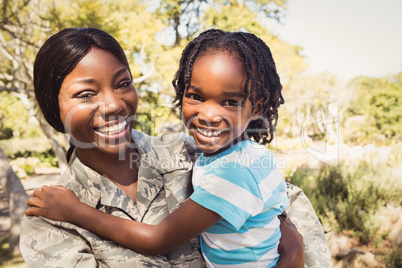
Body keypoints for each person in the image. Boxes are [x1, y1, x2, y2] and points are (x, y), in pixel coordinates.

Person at [24, 28, 333, 267]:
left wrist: (297, 254)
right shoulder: (51, 218)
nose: (114, 104)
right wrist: (292, 256)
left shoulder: (192, 152)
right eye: (86, 94)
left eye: (122, 84)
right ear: (54, 107)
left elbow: (286, 203)